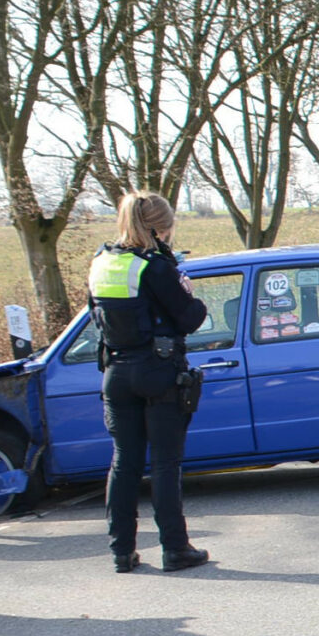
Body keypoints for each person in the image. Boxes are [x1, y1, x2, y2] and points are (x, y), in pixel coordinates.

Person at [89, 191, 211, 574]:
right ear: (161, 227)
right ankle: (175, 549)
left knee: (123, 463)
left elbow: (100, 318)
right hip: (158, 371)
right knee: (164, 463)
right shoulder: (156, 267)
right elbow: (190, 318)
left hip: (116, 373)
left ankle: (121, 552)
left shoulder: (102, 262)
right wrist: (186, 287)